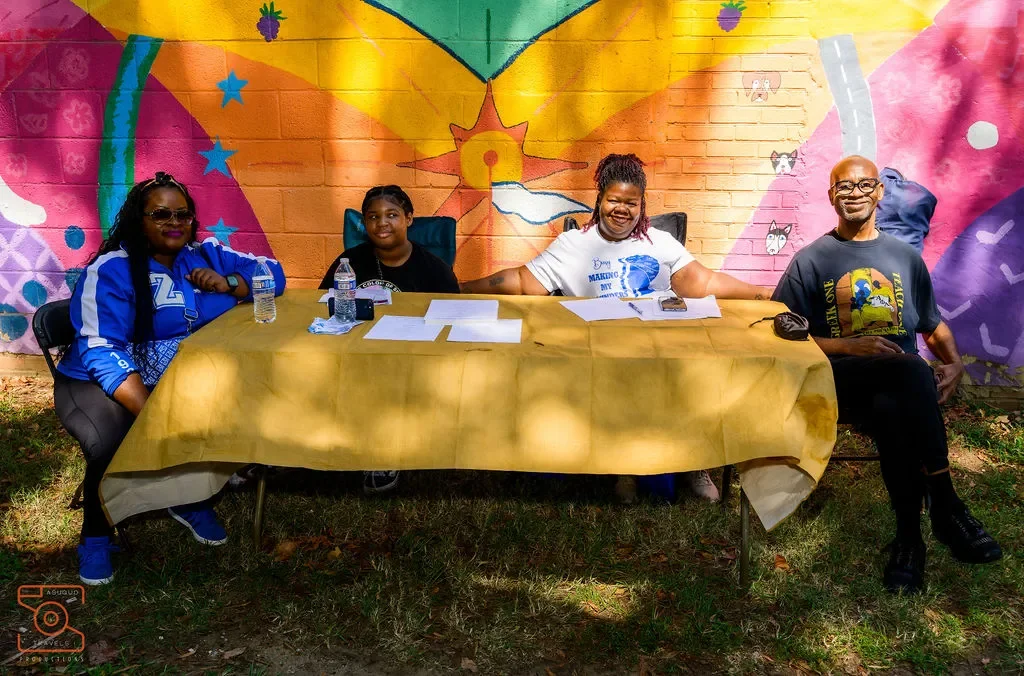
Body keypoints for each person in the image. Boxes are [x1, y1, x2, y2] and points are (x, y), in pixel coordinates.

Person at [460, 154, 774, 502]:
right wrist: (463, 287)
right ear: (600, 200)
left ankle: (694, 463)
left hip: (660, 350)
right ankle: (624, 466)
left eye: (631, 203)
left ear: (642, 205)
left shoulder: (659, 243)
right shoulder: (573, 245)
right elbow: (522, 281)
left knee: (698, 368)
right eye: (614, 200)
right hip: (603, 356)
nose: (621, 209)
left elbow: (704, 283)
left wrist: (763, 293)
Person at [772, 155, 1002, 593]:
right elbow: (781, 329)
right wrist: (846, 346)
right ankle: (945, 503)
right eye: (843, 186)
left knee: (895, 402)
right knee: (909, 371)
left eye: (864, 185)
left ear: (879, 192)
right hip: (838, 383)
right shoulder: (811, 260)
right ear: (831, 197)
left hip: (899, 392)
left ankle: (910, 541)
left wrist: (954, 363)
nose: (854, 193)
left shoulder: (904, 258)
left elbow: (931, 324)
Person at [54, 172, 286, 585]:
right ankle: (96, 536)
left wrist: (231, 283)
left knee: (236, 396)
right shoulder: (111, 270)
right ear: (138, 220)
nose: (174, 222)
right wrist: (151, 411)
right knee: (112, 440)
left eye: (183, 214)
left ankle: (187, 499)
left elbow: (274, 274)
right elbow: (100, 349)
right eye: (161, 214)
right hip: (97, 380)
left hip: (173, 374)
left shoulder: (205, 254)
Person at [319, 185, 460, 494]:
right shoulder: (348, 263)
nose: (382, 223)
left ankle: (383, 449)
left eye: (392, 215)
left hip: (412, 360)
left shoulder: (434, 269)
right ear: (364, 223)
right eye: (373, 217)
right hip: (355, 354)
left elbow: (452, 322)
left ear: (409, 219)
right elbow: (323, 303)